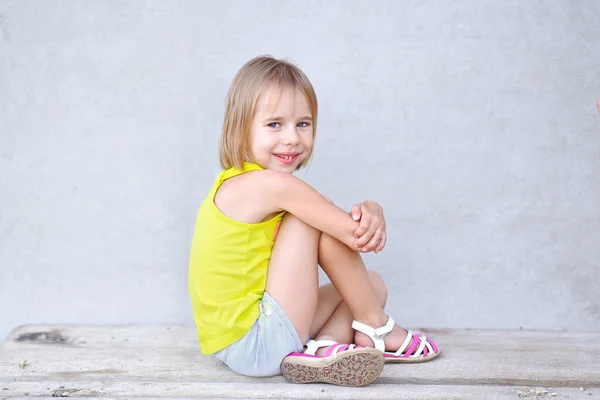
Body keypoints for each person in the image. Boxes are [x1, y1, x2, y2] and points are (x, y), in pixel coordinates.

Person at [188, 55, 440, 387]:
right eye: (274, 124)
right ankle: (379, 329)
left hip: (235, 343)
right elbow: (350, 234)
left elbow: (340, 232)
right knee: (312, 218)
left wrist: (360, 215)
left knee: (372, 284)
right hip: (256, 341)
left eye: (302, 124)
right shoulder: (272, 186)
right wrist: (373, 210)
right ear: (241, 128)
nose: (292, 138)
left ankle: (325, 347)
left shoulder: (236, 183)